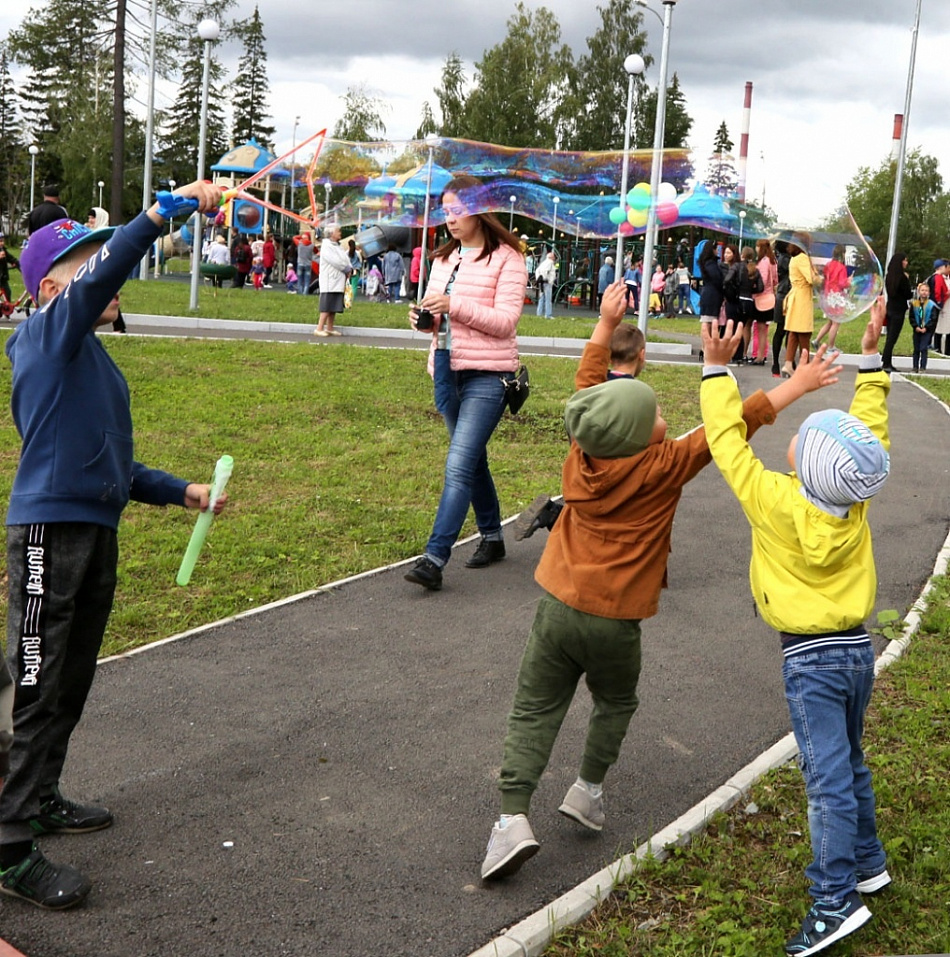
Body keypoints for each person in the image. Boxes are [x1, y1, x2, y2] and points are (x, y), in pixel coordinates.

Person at [481, 282, 778, 881]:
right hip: (619, 623)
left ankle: (511, 820)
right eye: (657, 412)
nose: (664, 416)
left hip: (559, 607)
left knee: (536, 707)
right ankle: (587, 791)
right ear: (644, 431)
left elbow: (588, 391)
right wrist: (786, 381)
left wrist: (603, 321)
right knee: (615, 701)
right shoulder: (667, 465)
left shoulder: (580, 452)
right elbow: (733, 426)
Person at [0, 181, 229, 910]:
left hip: (94, 534)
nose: (106, 269)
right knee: (35, 688)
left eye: (101, 254)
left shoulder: (94, 361)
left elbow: (111, 464)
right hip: (47, 537)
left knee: (70, 681)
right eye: (87, 261)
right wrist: (165, 211)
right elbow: (108, 269)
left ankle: (38, 796)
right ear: (50, 288)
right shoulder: (43, 335)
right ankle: (7, 846)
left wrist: (178, 490)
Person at [700, 304, 891, 957]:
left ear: (804, 463)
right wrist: (872, 363)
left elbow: (726, 443)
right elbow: (871, 435)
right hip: (857, 650)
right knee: (851, 760)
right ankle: (869, 860)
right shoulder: (855, 500)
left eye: (806, 434)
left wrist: (716, 370)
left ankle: (835, 899)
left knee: (826, 778)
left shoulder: (775, 501)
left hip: (809, 661)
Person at [404, 174, 526, 592]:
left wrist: (453, 305)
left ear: (479, 210)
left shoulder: (508, 258)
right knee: (471, 460)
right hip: (446, 370)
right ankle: (492, 537)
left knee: (458, 465)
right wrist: (426, 321)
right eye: (446, 211)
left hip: (489, 376)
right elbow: (439, 322)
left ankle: (435, 559)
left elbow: (506, 322)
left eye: (458, 210)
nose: (451, 219)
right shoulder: (444, 258)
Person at [512, 308, 646, 543]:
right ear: (642, 355)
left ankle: (554, 514)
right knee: (605, 513)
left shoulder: (593, 385)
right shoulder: (634, 396)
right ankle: (556, 516)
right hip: (613, 465)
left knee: (588, 503)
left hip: (582, 459)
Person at [86, 208, 127, 332]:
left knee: (106, 297)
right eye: (89, 218)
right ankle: (119, 327)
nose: (90, 221)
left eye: (93, 218)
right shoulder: (90, 231)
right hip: (94, 269)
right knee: (103, 297)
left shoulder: (104, 233)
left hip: (104, 269)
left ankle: (118, 326)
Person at [781, 234, 815, 379]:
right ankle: (805, 367)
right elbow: (811, 279)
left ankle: (788, 364)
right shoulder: (802, 258)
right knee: (804, 333)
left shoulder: (795, 258)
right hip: (802, 298)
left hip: (795, 296)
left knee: (794, 333)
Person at [315, 224, 351, 337]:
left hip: (338, 279)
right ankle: (319, 328)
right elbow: (334, 260)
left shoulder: (337, 246)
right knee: (327, 304)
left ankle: (330, 327)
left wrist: (349, 267)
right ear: (331, 233)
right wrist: (346, 268)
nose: (340, 233)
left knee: (334, 305)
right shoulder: (326, 246)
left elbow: (345, 259)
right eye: (338, 231)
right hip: (330, 280)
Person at [814, 245, 850, 353]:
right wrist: (850, 281)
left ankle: (816, 340)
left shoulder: (829, 265)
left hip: (828, 295)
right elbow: (843, 283)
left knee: (830, 322)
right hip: (837, 297)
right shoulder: (841, 267)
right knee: (836, 323)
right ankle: (831, 347)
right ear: (842, 254)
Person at [880, 251, 911, 373]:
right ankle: (886, 362)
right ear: (900, 262)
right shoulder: (902, 278)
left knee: (889, 336)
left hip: (890, 308)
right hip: (899, 309)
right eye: (905, 260)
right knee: (893, 337)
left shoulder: (889, 276)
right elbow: (908, 294)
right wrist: (907, 280)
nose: (906, 263)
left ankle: (887, 360)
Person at [749, 239, 777, 366]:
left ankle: (759, 356)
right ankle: (761, 355)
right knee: (763, 329)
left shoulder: (764, 262)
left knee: (760, 329)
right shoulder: (772, 261)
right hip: (770, 297)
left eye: (757, 246)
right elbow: (775, 280)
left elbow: (763, 280)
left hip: (761, 298)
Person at [772, 240, 792, 378]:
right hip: (785, 295)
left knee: (783, 330)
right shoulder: (786, 259)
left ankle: (781, 363)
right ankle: (780, 363)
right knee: (784, 330)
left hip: (783, 295)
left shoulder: (781, 258)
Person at [909, 282, 938, 373]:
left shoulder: (931, 305)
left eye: (926, 291)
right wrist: (916, 326)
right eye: (922, 290)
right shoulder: (914, 304)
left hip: (926, 330)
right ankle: (915, 367)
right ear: (918, 291)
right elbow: (912, 317)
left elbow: (933, 319)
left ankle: (922, 367)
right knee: (916, 349)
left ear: (929, 293)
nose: (924, 292)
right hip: (917, 329)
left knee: (923, 348)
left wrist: (926, 327)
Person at [698, 241, 724, 339]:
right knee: (709, 322)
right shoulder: (711, 265)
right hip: (712, 296)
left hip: (708, 294)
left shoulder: (706, 263)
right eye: (716, 249)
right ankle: (706, 348)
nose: (718, 251)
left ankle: (704, 348)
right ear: (712, 250)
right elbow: (717, 280)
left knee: (707, 322)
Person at [927, 259, 949, 355]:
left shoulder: (932, 277)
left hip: (935, 303)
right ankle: (931, 345)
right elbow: (937, 291)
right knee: (934, 324)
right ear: (943, 267)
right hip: (938, 304)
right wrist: (940, 302)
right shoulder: (938, 277)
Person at [535, 250, 557, 318]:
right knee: (548, 299)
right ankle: (548, 314)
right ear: (551, 257)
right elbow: (546, 271)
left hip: (542, 283)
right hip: (547, 283)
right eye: (553, 257)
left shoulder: (543, 262)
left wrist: (539, 278)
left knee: (541, 298)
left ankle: (539, 313)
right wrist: (546, 279)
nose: (554, 258)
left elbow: (537, 270)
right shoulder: (550, 263)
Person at [0, 234, 21, 305]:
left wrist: (17, 263)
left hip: (2, 276)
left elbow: (10, 258)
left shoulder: (3, 250)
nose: (2, 243)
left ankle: (6, 308)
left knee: (7, 292)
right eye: (0, 241)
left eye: (3, 241)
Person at [295, 232, 314, 296]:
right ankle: (305, 293)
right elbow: (316, 251)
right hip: (308, 264)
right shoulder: (312, 245)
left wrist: (301, 237)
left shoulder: (299, 244)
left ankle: (300, 292)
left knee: (300, 279)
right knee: (307, 280)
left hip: (300, 263)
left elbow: (294, 238)